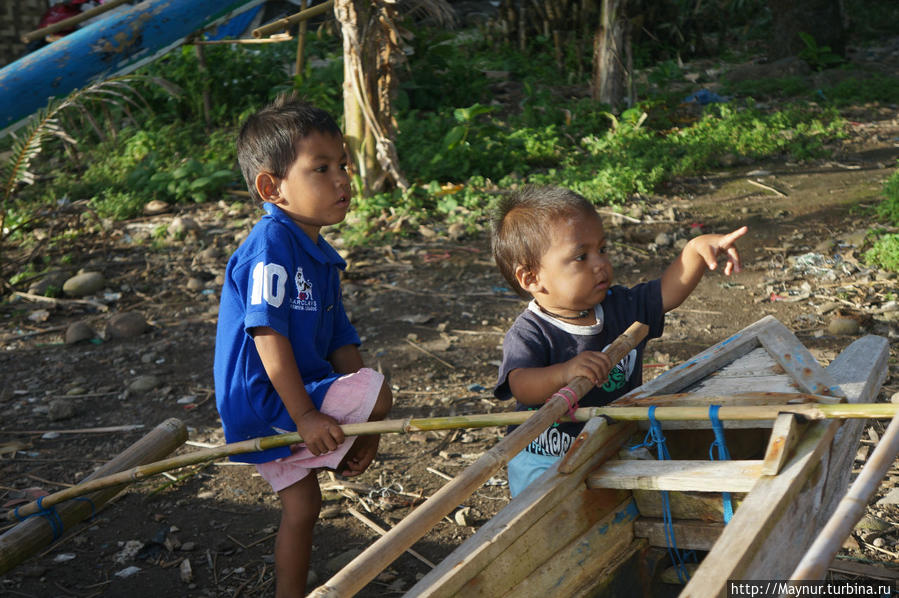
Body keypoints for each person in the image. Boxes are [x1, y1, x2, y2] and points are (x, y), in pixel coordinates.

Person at [214, 93, 392, 597]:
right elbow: (267, 335)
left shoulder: (322, 257)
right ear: (273, 187)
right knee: (378, 390)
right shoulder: (270, 245)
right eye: (321, 168)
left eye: (343, 165)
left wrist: (366, 427)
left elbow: (341, 340)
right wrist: (308, 417)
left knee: (304, 508)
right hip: (267, 402)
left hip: (293, 397)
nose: (342, 179)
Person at [491, 185, 746, 497]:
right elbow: (521, 384)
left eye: (603, 249)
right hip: (547, 458)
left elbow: (668, 291)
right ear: (532, 279)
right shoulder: (531, 330)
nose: (600, 264)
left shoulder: (620, 305)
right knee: (549, 521)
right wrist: (564, 372)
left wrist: (695, 249)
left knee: (621, 506)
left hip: (612, 444)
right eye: (581, 257)